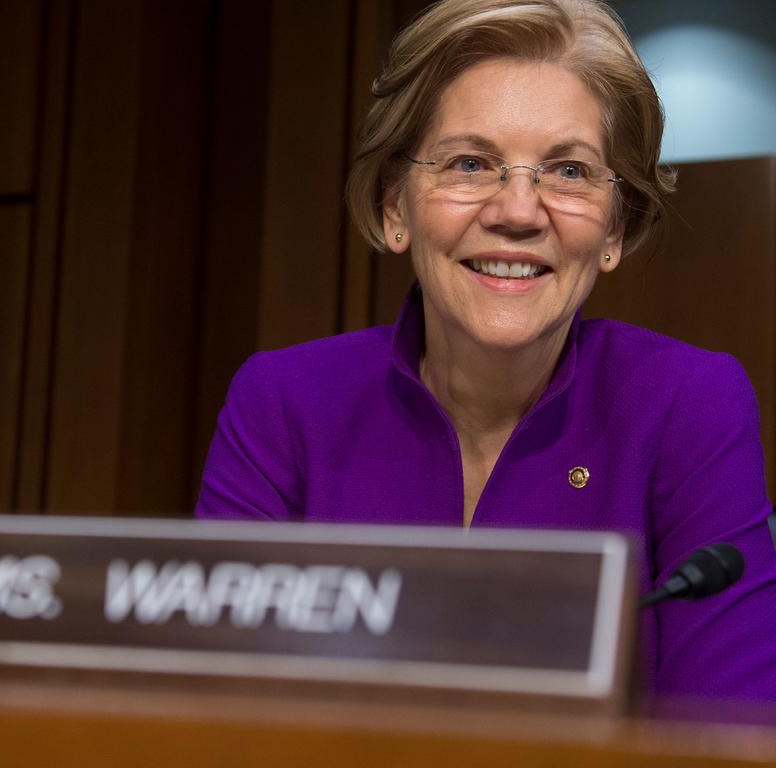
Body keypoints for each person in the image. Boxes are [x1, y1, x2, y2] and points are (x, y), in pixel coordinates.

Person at [195, 0, 776, 700]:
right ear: (393, 205)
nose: (518, 212)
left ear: (615, 229)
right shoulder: (282, 404)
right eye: (471, 163)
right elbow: (214, 708)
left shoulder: (689, 405)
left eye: (568, 172)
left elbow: (729, 730)